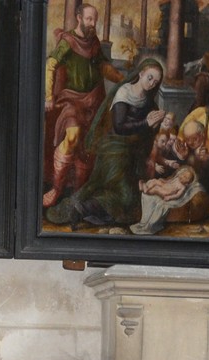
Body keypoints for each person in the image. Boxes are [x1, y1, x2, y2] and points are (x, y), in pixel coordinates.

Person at [47, 58, 168, 229]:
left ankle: (84, 209)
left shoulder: (149, 102)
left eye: (155, 81)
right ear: (140, 74)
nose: (151, 84)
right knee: (125, 197)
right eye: (149, 78)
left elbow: (146, 133)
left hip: (131, 153)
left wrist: (158, 125)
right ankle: (83, 208)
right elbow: (119, 127)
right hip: (113, 149)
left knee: (131, 200)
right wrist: (146, 124)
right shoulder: (124, 93)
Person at [43, 4, 125, 208]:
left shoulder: (94, 43)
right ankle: (56, 188)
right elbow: (51, 64)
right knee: (72, 137)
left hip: (94, 100)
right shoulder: (68, 41)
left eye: (95, 20)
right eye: (89, 19)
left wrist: (123, 79)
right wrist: (47, 96)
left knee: (89, 147)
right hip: (71, 100)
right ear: (79, 18)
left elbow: (104, 67)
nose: (92, 24)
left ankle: (78, 194)